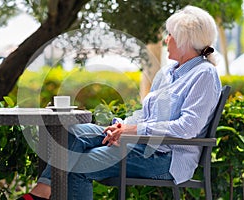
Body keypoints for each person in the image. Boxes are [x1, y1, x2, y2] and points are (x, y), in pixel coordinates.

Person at [18, 5, 221, 200]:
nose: (166, 40)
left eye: (171, 35)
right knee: (71, 132)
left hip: (165, 158)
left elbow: (188, 127)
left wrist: (134, 130)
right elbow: (146, 114)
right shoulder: (167, 72)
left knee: (77, 166)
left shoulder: (205, 74)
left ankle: (40, 194)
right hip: (140, 144)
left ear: (184, 40)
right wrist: (121, 127)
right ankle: (43, 190)